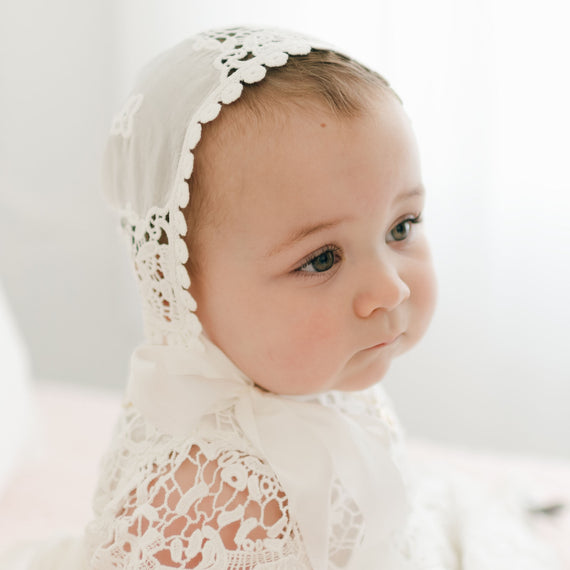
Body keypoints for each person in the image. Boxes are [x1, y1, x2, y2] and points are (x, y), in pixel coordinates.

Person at [3, 25, 562, 570]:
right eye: (322, 258)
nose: (390, 287)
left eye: (402, 225)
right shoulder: (201, 506)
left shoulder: (313, 376)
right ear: (181, 286)